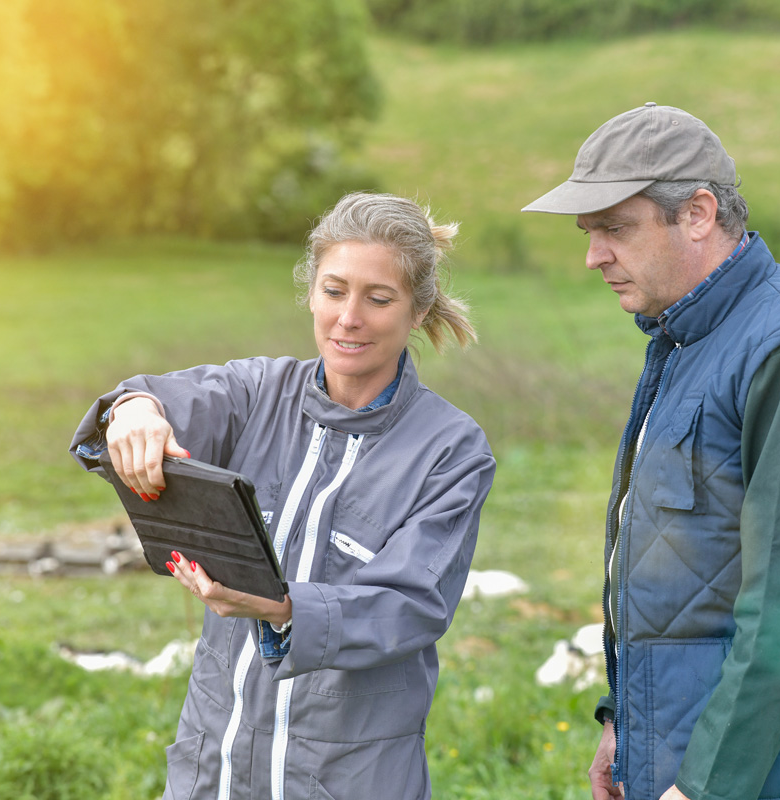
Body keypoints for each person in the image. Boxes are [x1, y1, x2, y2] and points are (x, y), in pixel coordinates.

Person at [522, 104, 780, 800]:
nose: (593, 256)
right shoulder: (688, 340)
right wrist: (628, 726)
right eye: (590, 234)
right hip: (704, 761)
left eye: (615, 229)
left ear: (699, 213)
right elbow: (684, 568)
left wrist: (705, 783)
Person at [69, 192, 495, 800]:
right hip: (212, 769)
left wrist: (283, 608)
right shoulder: (255, 391)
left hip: (347, 778)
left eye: (378, 299)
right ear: (312, 291)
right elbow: (156, 399)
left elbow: (413, 605)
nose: (349, 317)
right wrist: (134, 409)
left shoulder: (450, 449)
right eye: (334, 290)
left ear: (418, 309)